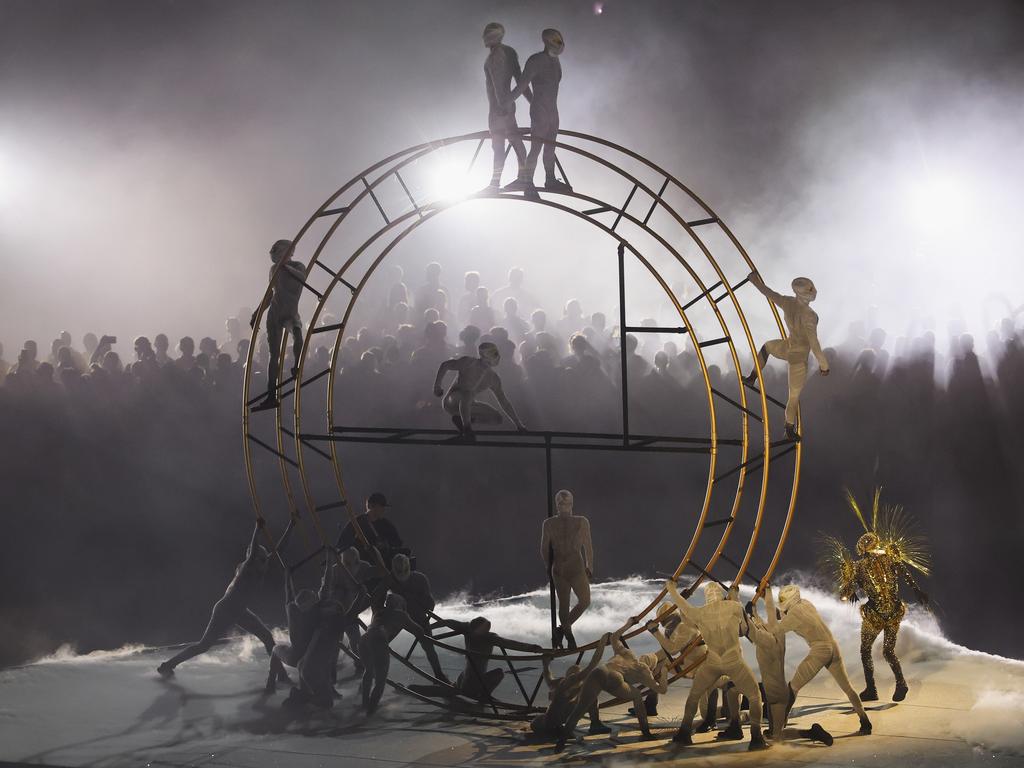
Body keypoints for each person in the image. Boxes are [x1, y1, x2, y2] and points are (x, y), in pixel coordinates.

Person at [823, 490, 930, 702]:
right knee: (889, 651)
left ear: (862, 549)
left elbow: (847, 591)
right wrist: (918, 591)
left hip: (874, 615)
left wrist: (846, 586)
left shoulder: (859, 566)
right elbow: (906, 573)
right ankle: (901, 682)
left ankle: (871, 689)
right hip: (894, 612)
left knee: (865, 650)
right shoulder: (890, 559)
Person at [157, 520, 279, 677]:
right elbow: (254, 550)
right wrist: (257, 529)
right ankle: (167, 665)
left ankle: (279, 674)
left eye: (263, 558)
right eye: (260, 557)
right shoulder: (246, 568)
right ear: (253, 556)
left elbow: (276, 551)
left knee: (267, 636)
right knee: (204, 645)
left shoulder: (260, 566)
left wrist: (292, 525)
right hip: (226, 609)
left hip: (240, 611)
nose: (264, 560)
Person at [664, 579, 768, 751]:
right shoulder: (734, 607)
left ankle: (684, 733)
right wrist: (735, 598)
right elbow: (744, 631)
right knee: (755, 696)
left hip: (712, 662)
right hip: (733, 660)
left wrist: (671, 589)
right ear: (721, 593)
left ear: (706, 597)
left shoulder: (699, 613)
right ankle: (756, 738)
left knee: (694, 695)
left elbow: (681, 605)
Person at [775, 584, 872, 735]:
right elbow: (790, 618)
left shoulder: (793, 615)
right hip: (833, 646)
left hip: (820, 649)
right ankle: (865, 721)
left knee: (793, 687)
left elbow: (776, 630)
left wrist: (755, 618)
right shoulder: (806, 603)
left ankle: (779, 727)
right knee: (847, 687)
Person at [744, 272, 829, 441]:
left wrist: (754, 280)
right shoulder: (810, 316)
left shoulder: (788, 302)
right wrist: (824, 365)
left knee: (766, 348)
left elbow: (768, 292)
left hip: (787, 347)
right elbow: (814, 343)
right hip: (798, 357)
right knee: (794, 396)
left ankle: (752, 377)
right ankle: (789, 428)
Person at [746, 584, 834, 745]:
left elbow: (754, 631)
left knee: (777, 737)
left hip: (776, 695)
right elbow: (768, 620)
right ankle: (778, 730)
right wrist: (766, 595)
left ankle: (811, 733)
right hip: (775, 691)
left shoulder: (768, 640)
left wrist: (749, 615)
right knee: (774, 732)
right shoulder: (777, 635)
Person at [554, 627, 668, 752]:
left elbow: (614, 637)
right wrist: (664, 673)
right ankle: (646, 732)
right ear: (651, 665)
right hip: (615, 678)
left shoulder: (627, 653)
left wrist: (629, 623)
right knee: (637, 695)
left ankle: (562, 741)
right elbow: (661, 690)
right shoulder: (645, 671)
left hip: (599, 671)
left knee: (579, 710)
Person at [506, 29, 570, 192]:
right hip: (540, 110)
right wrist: (505, 102)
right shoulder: (536, 61)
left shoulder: (556, 62)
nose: (560, 45)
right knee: (536, 147)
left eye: (560, 41)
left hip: (553, 112)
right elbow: (522, 84)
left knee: (550, 148)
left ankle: (550, 179)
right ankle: (525, 180)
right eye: (556, 41)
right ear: (548, 42)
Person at [358, 592, 437, 713]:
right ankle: (370, 712)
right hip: (379, 640)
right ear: (400, 604)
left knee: (368, 671)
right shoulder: (401, 615)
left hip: (364, 640)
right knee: (380, 680)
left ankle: (364, 705)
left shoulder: (379, 612)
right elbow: (419, 630)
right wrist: (425, 632)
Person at [251, 239, 306, 411]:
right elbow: (270, 294)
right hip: (275, 313)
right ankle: (271, 395)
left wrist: (284, 266)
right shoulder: (274, 269)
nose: (277, 255)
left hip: (290, 312)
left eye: (281, 251)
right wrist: (256, 314)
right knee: (274, 354)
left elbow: (301, 278)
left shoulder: (298, 266)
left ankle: (297, 366)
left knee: (297, 334)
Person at [435, 616, 543, 702]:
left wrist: (531, 647)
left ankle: (461, 688)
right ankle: (484, 696)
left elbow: (447, 622)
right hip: (472, 683)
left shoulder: (469, 629)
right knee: (499, 673)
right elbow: (447, 622)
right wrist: (532, 648)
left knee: (475, 670)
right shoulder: (482, 634)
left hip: (464, 679)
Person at [433, 341, 527, 439]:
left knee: (496, 418)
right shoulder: (468, 362)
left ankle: (462, 422)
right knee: (467, 393)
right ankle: (467, 429)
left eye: (495, 353)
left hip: (467, 406)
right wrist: (437, 386)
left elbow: (504, 402)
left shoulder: (493, 378)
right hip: (452, 401)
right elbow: (445, 365)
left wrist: (519, 425)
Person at [531, 633, 611, 741]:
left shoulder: (561, 682)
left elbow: (548, 678)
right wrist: (602, 642)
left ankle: (591, 723)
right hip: (554, 722)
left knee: (587, 694)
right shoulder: (573, 680)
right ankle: (595, 723)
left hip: (552, 720)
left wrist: (545, 663)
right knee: (591, 696)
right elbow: (593, 663)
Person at [540, 490, 593, 649]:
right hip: (560, 569)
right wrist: (548, 566)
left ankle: (562, 630)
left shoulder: (581, 521)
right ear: (557, 505)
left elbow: (588, 546)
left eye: (567, 503)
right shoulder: (549, 523)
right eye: (561, 503)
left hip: (576, 567)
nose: (564, 506)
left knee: (584, 601)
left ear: (572, 504)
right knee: (564, 604)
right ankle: (568, 636)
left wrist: (590, 565)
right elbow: (544, 548)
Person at [385, 553, 449, 683]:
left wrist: (426, 618)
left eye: (403, 571)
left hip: (418, 617)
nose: (401, 574)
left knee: (429, 648)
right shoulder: (390, 579)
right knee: (380, 641)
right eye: (398, 571)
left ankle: (439, 675)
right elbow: (379, 597)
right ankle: (368, 670)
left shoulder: (420, 578)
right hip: (399, 617)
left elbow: (430, 602)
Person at [481, 22, 530, 192]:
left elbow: (498, 85)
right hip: (506, 106)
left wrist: (501, 106)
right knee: (514, 140)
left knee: (499, 146)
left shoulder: (496, 56)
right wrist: (532, 102)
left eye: (487, 34)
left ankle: (495, 184)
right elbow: (521, 80)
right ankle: (524, 178)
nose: (484, 37)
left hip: (498, 109)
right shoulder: (509, 52)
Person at [336, 492, 407, 566]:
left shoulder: (387, 525)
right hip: (361, 567)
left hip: (382, 566)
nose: (383, 510)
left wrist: (386, 546)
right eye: (381, 506)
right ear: (370, 506)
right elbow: (342, 545)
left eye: (384, 507)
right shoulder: (356, 523)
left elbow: (397, 543)